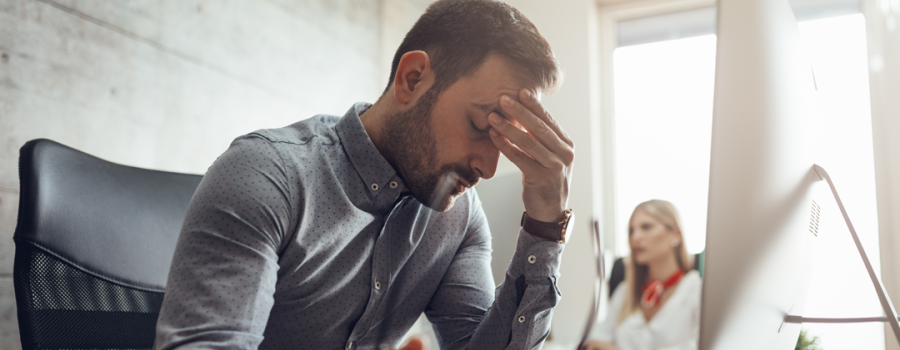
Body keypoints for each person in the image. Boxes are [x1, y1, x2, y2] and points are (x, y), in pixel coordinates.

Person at [152, 1, 576, 349]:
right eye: (482, 128)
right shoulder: (268, 174)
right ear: (412, 79)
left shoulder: (457, 217)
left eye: (503, 142)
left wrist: (544, 226)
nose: (487, 167)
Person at [583, 200, 701, 350]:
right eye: (632, 230)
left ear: (676, 235)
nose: (635, 237)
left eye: (646, 227)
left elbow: (701, 346)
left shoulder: (697, 290)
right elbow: (595, 343)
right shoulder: (625, 290)